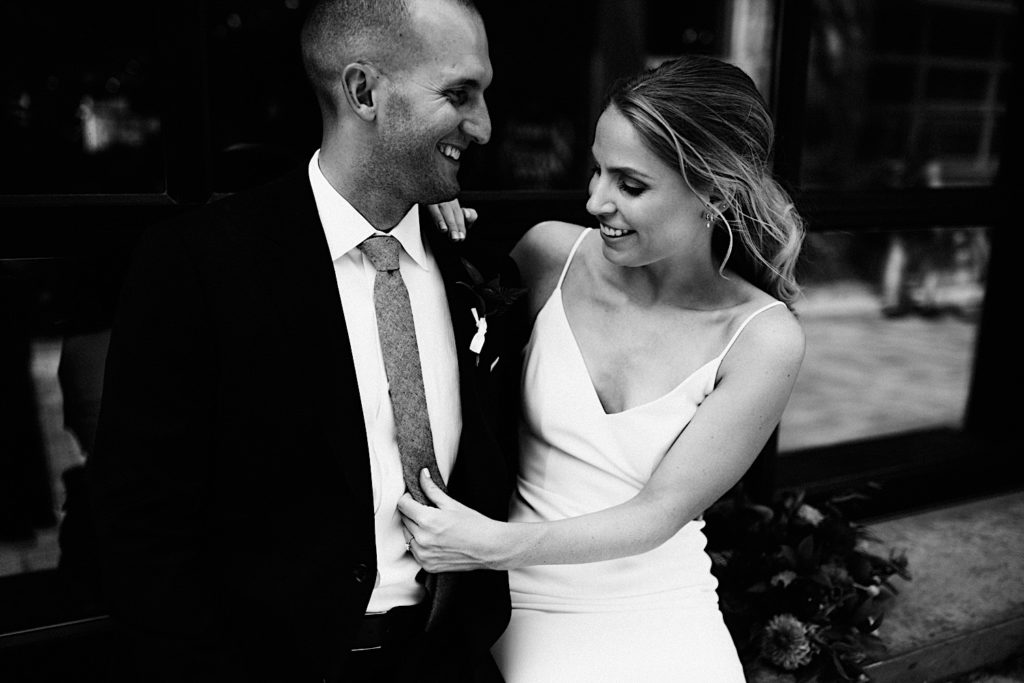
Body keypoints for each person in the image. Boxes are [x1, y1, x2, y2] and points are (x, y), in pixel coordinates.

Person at [85, 1, 525, 681]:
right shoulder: (201, 264)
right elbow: (140, 523)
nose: (485, 125)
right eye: (458, 93)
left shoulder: (478, 262)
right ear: (363, 91)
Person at [400, 54, 807, 681]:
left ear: (715, 193)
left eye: (630, 185)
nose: (595, 201)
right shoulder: (549, 255)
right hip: (521, 603)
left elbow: (659, 513)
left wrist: (486, 544)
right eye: (597, 171)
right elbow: (447, 353)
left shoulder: (762, 340)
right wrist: (426, 231)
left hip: (659, 607)